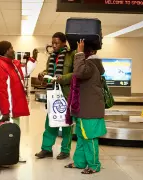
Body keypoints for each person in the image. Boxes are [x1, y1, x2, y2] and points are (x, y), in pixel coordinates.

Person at [0, 41, 37, 162]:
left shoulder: (11, 65)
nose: (13, 50)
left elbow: (23, 73)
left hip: (12, 107)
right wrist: (5, 111)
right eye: (11, 48)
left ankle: (13, 154)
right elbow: (0, 92)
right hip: (2, 110)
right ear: (5, 51)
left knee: (12, 133)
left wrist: (33, 59)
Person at [64, 40, 107, 174]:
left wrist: (79, 53)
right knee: (82, 137)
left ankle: (94, 165)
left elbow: (79, 72)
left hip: (90, 110)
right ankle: (80, 162)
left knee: (89, 138)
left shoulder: (90, 64)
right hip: (84, 109)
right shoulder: (91, 63)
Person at [35, 32, 75, 160]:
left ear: (64, 43)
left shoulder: (71, 55)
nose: (54, 45)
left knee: (66, 124)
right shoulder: (52, 56)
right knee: (50, 122)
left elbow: (75, 74)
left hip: (66, 93)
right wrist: (43, 74)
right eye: (52, 43)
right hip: (53, 94)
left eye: (56, 43)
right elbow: (49, 71)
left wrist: (61, 78)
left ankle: (65, 150)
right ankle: (46, 149)